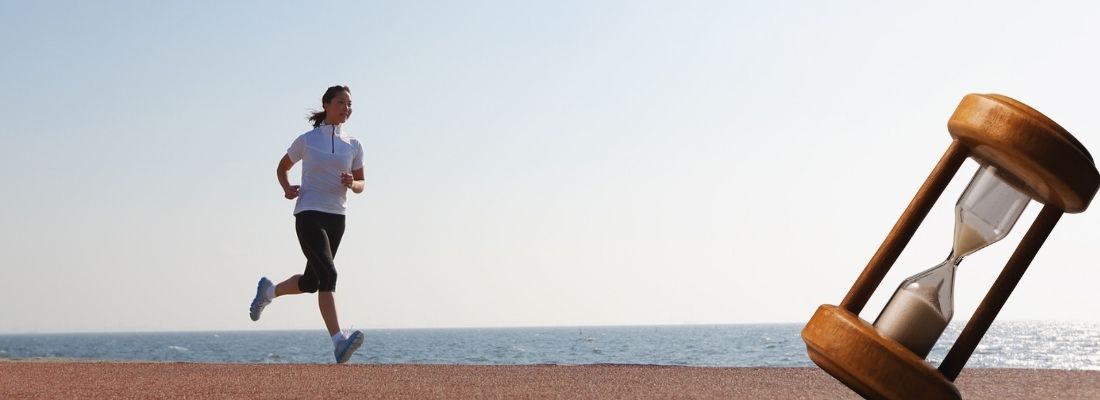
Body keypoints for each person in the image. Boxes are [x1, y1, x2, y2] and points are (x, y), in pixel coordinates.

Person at [249, 85, 366, 364]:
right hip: (309, 213)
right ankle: (339, 342)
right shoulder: (307, 140)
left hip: (337, 217)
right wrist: (287, 187)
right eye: (341, 103)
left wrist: (353, 183)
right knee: (329, 274)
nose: (347, 108)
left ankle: (268, 291)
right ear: (326, 104)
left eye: (350, 104)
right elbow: (282, 166)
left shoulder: (354, 145)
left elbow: (362, 183)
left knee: (312, 282)